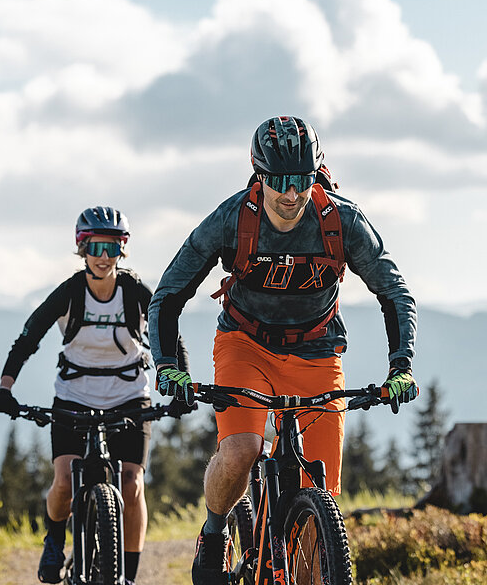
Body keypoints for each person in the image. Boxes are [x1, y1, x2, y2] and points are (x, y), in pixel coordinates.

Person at [147, 116, 418, 584]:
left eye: (302, 180)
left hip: (317, 351)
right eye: (279, 181)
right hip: (244, 344)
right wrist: (168, 365)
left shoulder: (341, 221)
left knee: (323, 492)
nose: (291, 194)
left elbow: (394, 292)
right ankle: (214, 534)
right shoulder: (232, 219)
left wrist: (401, 366)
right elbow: (169, 294)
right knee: (241, 450)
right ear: (259, 174)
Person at [0, 206, 186, 585]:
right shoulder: (68, 293)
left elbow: (169, 332)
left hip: (129, 396)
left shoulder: (134, 292)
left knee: (131, 483)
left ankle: (127, 575)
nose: (102, 256)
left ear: (122, 251)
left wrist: (178, 383)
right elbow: (29, 338)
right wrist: (5, 388)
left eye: (111, 248)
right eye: (95, 247)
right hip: (74, 396)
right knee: (64, 478)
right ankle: (53, 540)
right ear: (81, 249)